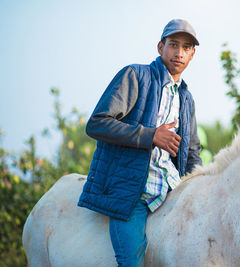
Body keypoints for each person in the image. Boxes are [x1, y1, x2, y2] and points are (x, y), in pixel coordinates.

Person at [77, 19, 202, 266]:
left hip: (170, 192)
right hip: (133, 194)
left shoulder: (186, 99)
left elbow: (192, 153)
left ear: (192, 54)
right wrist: (151, 136)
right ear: (160, 47)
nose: (179, 53)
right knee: (131, 262)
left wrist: (198, 189)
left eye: (186, 47)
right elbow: (97, 123)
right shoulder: (135, 76)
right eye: (173, 44)